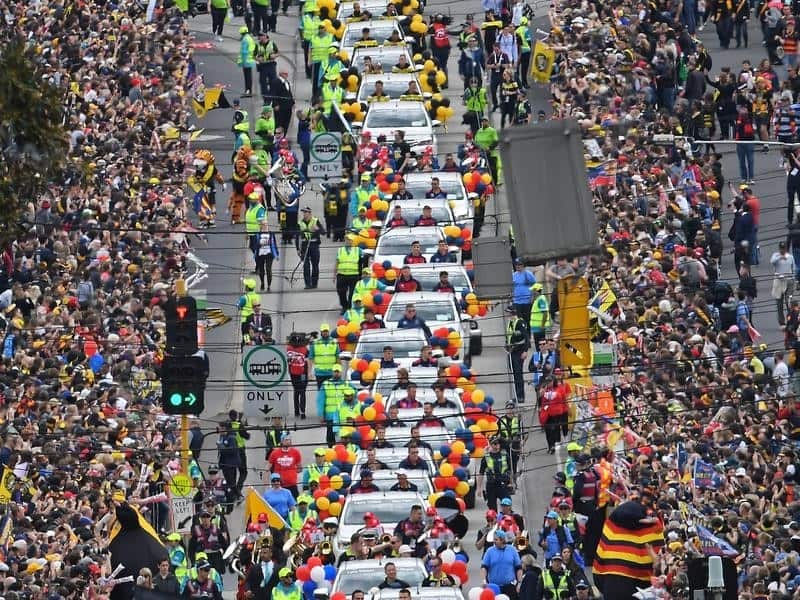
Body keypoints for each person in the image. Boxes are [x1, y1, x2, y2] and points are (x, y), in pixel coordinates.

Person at [481, 529, 522, 600]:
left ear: (502, 540)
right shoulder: (490, 551)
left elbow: (518, 568)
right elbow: (484, 567)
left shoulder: (512, 550)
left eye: (496, 540)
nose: (494, 541)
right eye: (494, 539)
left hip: (509, 586)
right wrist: (484, 580)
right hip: (494, 586)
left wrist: (519, 583)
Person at [480, 436, 513, 512]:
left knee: (507, 506)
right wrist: (479, 488)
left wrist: (511, 483)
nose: (497, 445)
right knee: (492, 510)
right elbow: (481, 473)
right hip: (491, 486)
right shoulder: (486, 457)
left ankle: (507, 522)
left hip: (503, 485)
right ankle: (493, 523)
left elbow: (510, 470)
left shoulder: (505, 455)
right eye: (495, 443)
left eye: (498, 443)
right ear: (491, 445)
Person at [267, 432, 303, 497]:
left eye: (289, 439)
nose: (288, 441)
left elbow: (300, 468)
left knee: (294, 504)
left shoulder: (296, 452)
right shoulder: (274, 453)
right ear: (282, 441)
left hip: (292, 485)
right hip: (278, 485)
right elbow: (268, 468)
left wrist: (291, 472)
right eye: (286, 440)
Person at [505, 306, 529, 403]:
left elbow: (526, 337)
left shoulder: (520, 322)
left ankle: (520, 396)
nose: (507, 314)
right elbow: (509, 336)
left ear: (512, 313)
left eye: (508, 313)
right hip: (511, 351)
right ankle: (516, 395)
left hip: (519, 352)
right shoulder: (510, 322)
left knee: (518, 374)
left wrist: (525, 351)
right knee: (514, 374)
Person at [335, 235, 363, 312]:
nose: (348, 241)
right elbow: (337, 262)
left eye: (350, 240)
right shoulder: (340, 250)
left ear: (353, 241)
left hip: (354, 275)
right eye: (347, 240)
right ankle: (344, 306)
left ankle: (350, 308)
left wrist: (362, 274)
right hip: (341, 275)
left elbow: (362, 262)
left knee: (352, 294)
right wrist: (334, 275)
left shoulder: (358, 250)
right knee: (341, 292)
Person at [299, 206, 325, 289]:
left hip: (314, 245)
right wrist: (297, 249)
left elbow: (323, 232)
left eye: (306, 212)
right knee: (306, 266)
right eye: (304, 212)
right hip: (304, 245)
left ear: (310, 213)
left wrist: (317, 229)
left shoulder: (315, 221)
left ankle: (314, 283)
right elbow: (297, 237)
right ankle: (307, 284)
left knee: (315, 265)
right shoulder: (300, 223)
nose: (305, 214)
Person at [309, 323, 340, 389]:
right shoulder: (315, 343)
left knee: (331, 392)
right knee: (321, 391)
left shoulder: (334, 342)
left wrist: (339, 371)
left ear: (328, 331)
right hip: (319, 373)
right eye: (323, 331)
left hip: (331, 373)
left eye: (326, 331)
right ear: (321, 332)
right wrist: (309, 373)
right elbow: (310, 358)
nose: (325, 333)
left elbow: (338, 358)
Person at [511, 260, 536, 328]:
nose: (518, 266)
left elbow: (535, 285)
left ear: (523, 265)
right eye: (516, 265)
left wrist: (532, 297)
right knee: (519, 321)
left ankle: (529, 335)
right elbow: (511, 287)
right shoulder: (513, 275)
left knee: (528, 319)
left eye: (520, 265)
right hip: (517, 301)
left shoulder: (528, 274)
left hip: (527, 301)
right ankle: (523, 336)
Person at [239, 26, 257, 97]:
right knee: (249, 76)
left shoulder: (245, 40)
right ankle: (249, 91)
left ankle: (248, 91)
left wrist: (242, 62)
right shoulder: (249, 38)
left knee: (247, 77)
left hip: (246, 61)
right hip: (250, 60)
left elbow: (244, 52)